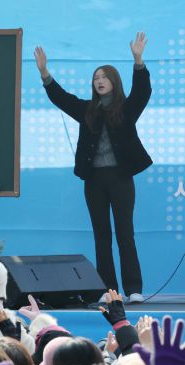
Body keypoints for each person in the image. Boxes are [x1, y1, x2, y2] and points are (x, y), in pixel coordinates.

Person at [34, 34, 151, 303]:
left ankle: (133, 289)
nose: (99, 81)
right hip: (94, 180)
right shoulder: (87, 110)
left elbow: (143, 92)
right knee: (101, 236)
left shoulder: (127, 108)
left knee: (125, 233)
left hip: (121, 178)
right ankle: (108, 291)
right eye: (96, 77)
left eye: (104, 77)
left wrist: (138, 60)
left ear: (113, 82)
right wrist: (44, 73)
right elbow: (62, 99)